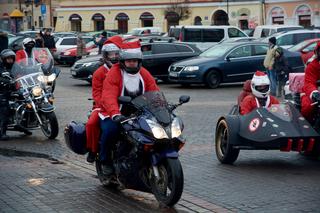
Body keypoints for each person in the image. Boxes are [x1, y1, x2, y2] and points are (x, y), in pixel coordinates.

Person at [98, 41, 159, 174]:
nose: (132, 63)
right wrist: (115, 113)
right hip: (114, 113)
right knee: (110, 131)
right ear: (122, 61)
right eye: (129, 61)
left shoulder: (144, 73)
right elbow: (108, 95)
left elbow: (154, 92)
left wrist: (160, 107)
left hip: (139, 112)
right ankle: (105, 161)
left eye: (135, 61)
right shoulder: (114, 73)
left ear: (139, 61)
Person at [86, 41, 120, 163]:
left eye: (117, 54)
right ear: (105, 56)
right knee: (91, 124)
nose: (114, 57)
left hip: (122, 105)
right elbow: (96, 93)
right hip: (102, 107)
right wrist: (107, 105)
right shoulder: (99, 72)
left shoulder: (123, 69)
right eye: (111, 55)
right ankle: (93, 149)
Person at [301, 42, 320, 124]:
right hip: (312, 92)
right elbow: (309, 83)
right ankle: (307, 126)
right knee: (308, 108)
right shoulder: (312, 66)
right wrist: (315, 94)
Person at [0, 49, 15, 140]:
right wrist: (5, 81)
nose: (10, 60)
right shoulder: (1, 67)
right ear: (4, 59)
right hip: (2, 90)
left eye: (11, 58)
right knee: (4, 109)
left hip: (14, 89)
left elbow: (24, 70)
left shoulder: (15, 66)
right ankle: (2, 132)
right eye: (8, 59)